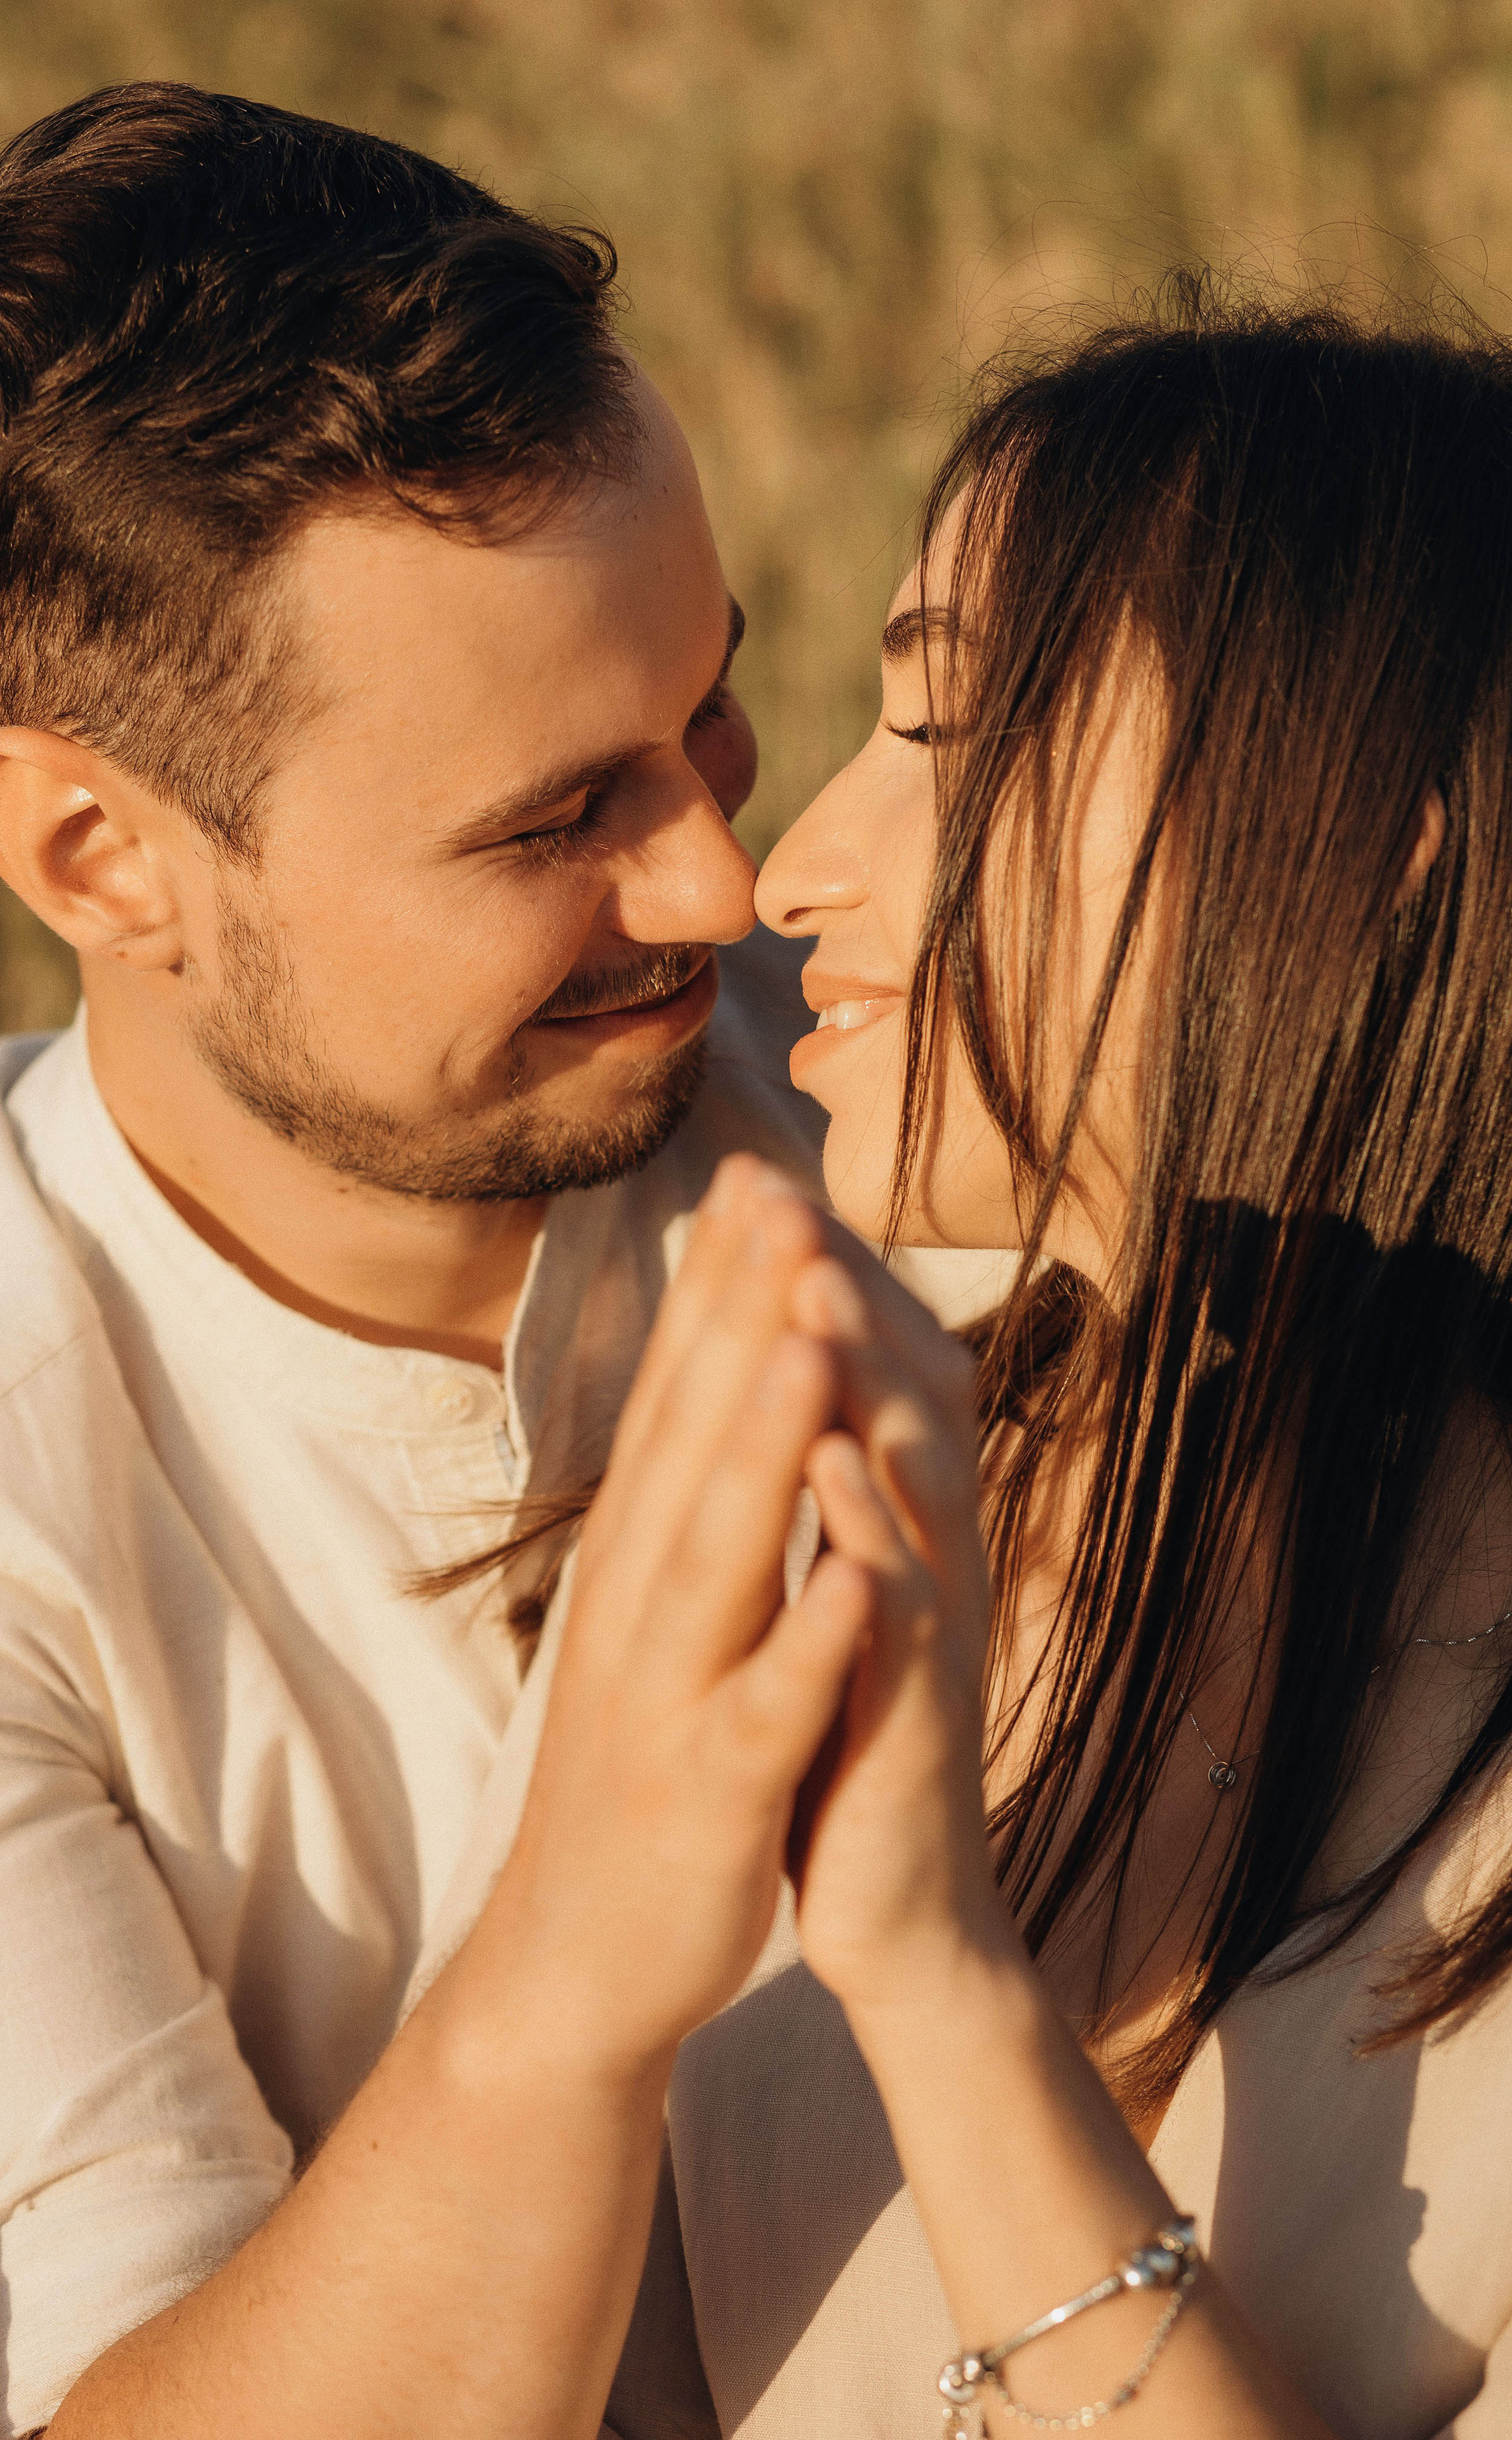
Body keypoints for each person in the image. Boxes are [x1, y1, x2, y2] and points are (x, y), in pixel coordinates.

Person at [415, 290, 1512, 2439]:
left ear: (1372, 840)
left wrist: (932, 1976)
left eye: (949, 743)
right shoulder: (786, 1505)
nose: (785, 872)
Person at [0, 78, 875, 2440]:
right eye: (555, 823)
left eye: (710, 707)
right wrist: (579, 1961)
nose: (722, 892)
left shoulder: (921, 1089)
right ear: (97, 855)